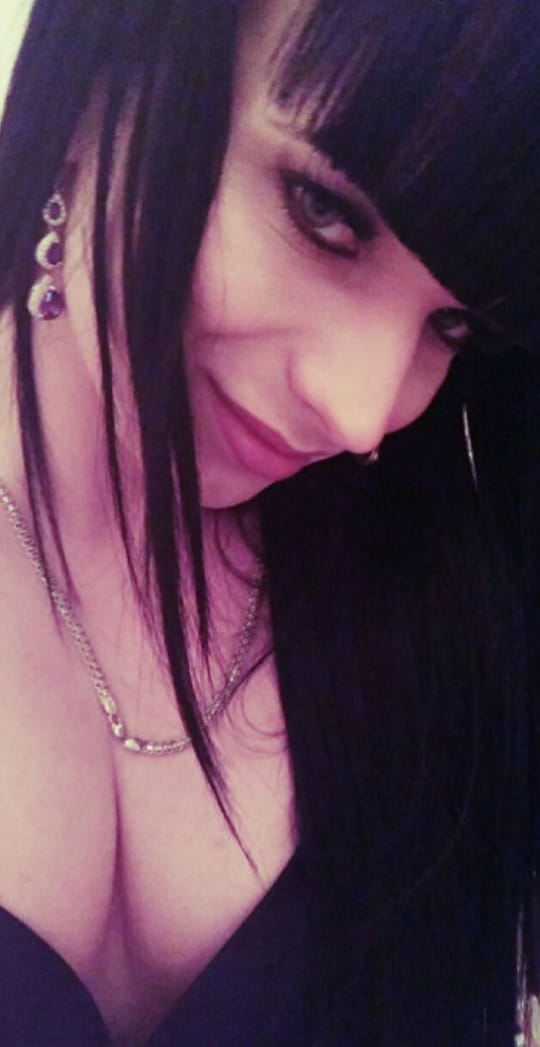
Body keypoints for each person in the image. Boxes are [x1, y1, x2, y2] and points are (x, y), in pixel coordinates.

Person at [0, 0, 539, 1043]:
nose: (363, 413)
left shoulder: (438, 616)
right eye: (322, 212)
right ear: (106, 75)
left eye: (452, 323)